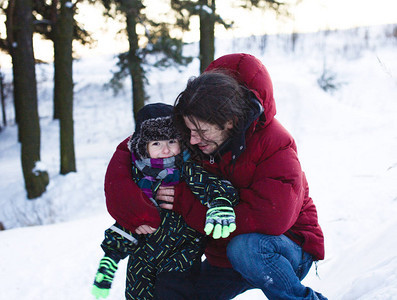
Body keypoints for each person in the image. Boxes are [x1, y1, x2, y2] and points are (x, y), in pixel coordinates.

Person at [105, 53, 326, 299]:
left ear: (230, 121)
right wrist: (135, 206)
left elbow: (271, 219)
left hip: (285, 248)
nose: (192, 140)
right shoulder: (200, 124)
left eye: (201, 132)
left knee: (247, 248)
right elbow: (132, 150)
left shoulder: (275, 143)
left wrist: (184, 202)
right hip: (224, 257)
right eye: (188, 130)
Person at [92, 103, 239, 300]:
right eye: (156, 144)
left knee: (172, 291)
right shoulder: (137, 177)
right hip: (143, 254)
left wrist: (220, 202)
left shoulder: (187, 169)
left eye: (171, 141)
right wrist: (112, 254)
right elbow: (130, 216)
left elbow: (212, 184)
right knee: (137, 293)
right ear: (143, 147)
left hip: (181, 253)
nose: (166, 150)